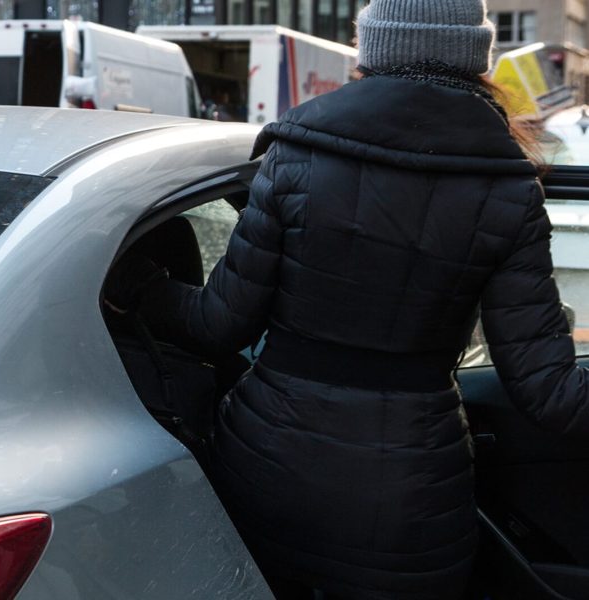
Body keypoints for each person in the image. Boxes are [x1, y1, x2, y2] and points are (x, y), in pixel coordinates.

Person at [106, 0, 589, 598]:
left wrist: (137, 286)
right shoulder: (508, 188)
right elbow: (550, 394)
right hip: (410, 500)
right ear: (475, 58)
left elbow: (216, 323)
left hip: (263, 470)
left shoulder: (296, 151)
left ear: (373, 50)